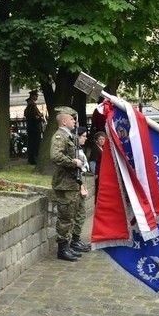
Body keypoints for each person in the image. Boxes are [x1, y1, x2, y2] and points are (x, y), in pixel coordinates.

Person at [50, 107, 84, 262]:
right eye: (72, 119)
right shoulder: (60, 136)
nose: (74, 121)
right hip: (64, 184)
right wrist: (73, 162)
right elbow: (55, 156)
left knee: (70, 216)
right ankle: (62, 249)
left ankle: (68, 245)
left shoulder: (69, 136)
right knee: (65, 217)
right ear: (64, 121)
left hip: (70, 183)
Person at [70, 126, 92, 254]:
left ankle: (76, 239)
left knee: (81, 213)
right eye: (83, 135)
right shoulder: (73, 150)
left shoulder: (79, 149)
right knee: (79, 213)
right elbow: (75, 171)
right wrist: (81, 186)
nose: (85, 138)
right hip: (75, 183)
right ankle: (74, 240)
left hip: (80, 181)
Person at [24, 90, 44, 164]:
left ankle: (31, 158)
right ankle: (34, 159)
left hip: (32, 127)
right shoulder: (32, 104)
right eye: (36, 95)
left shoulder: (30, 104)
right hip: (34, 127)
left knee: (32, 143)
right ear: (32, 96)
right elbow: (32, 116)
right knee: (34, 144)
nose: (37, 97)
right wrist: (40, 117)